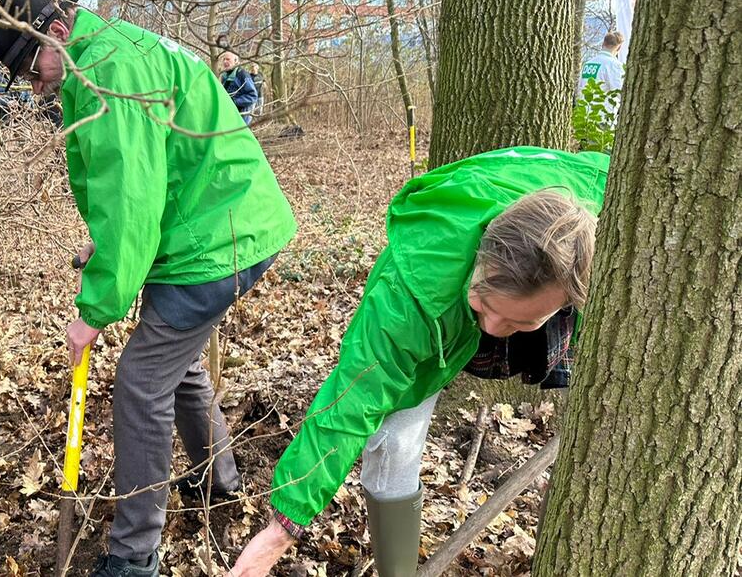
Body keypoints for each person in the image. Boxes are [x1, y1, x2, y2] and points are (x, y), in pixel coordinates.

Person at [0, 0, 297, 575]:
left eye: (31, 68)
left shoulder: (111, 75)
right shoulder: (105, 55)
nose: (34, 85)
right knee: (176, 368)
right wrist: (106, 246)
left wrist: (94, 311)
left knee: (139, 383)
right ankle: (219, 481)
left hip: (217, 241)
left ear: (56, 32)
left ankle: (134, 555)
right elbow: (146, 180)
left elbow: (131, 199)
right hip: (218, 225)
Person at [230, 147, 610, 577]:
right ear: (482, 257)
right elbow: (352, 403)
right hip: (434, 301)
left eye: (519, 319)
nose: (494, 327)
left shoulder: (621, 222)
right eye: (484, 304)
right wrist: (282, 527)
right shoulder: (406, 299)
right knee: (394, 438)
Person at [577, 31, 626, 120]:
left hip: (584, 117)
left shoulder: (587, 64)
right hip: (603, 118)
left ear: (603, 44)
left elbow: (579, 89)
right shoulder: (614, 65)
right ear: (619, 48)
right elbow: (621, 93)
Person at [218, 50, 259, 125]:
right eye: (223, 59)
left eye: (228, 59)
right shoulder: (224, 76)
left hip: (242, 115)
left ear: (235, 61)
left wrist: (235, 101)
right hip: (230, 113)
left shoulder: (242, 75)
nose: (225, 62)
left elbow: (253, 96)